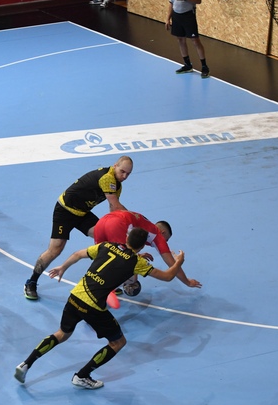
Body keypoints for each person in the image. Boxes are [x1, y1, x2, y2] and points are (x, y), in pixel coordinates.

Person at [14, 228, 185, 389]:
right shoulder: (137, 262)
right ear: (141, 246)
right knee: (118, 342)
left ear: (126, 238)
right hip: (93, 306)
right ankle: (82, 376)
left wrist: (63, 267)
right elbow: (168, 276)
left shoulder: (107, 246)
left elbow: (77, 254)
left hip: (75, 296)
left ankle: (26, 364)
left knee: (61, 334)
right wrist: (178, 262)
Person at [23, 156, 133, 301]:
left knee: (108, 241)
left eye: (128, 174)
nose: (124, 176)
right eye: (122, 171)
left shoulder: (117, 185)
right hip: (65, 211)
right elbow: (116, 206)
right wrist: (133, 222)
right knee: (55, 249)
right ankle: (31, 282)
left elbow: (113, 209)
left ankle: (106, 282)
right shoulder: (107, 178)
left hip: (83, 213)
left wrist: (118, 227)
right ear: (115, 166)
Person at [94, 210, 201, 294]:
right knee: (128, 267)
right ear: (162, 232)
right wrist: (187, 282)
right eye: (166, 240)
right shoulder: (158, 237)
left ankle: (99, 284)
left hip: (101, 222)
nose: (165, 243)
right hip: (115, 224)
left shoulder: (145, 225)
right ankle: (107, 289)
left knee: (103, 256)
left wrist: (138, 255)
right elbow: (172, 265)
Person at [166, 0, 209, 78]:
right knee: (180, 40)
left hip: (188, 16)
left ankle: (204, 66)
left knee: (195, 41)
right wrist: (168, 18)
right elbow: (171, 3)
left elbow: (198, 0)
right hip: (177, 16)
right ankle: (187, 65)